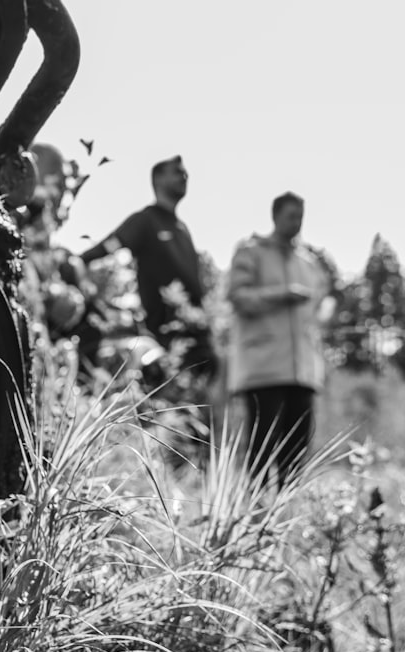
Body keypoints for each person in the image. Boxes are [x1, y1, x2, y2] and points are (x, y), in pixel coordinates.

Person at [79, 155, 217, 380]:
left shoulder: (182, 229)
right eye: (177, 172)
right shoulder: (145, 221)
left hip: (197, 337)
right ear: (158, 179)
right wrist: (76, 265)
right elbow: (108, 247)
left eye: (185, 173)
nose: (185, 176)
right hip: (162, 338)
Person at [226, 191, 329, 487]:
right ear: (275, 216)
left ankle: (285, 515)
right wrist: (281, 294)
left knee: (296, 452)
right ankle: (254, 517)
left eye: (300, 217)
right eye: (290, 216)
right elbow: (238, 297)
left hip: (303, 372)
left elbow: (317, 311)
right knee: (261, 450)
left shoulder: (308, 263)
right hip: (264, 370)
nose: (296, 223)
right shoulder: (251, 252)